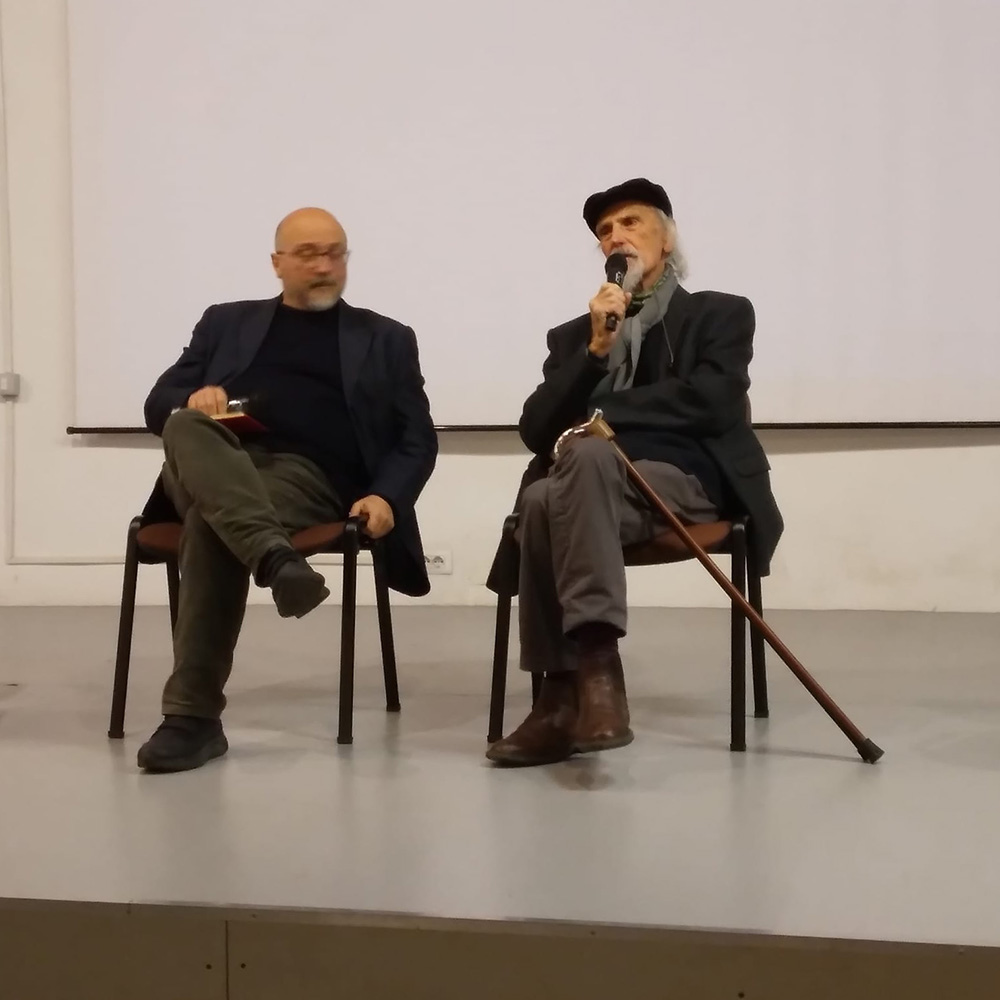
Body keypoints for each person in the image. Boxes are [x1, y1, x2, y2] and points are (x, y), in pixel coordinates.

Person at [486, 178, 782, 767]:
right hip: (595, 494)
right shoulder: (573, 338)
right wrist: (596, 353)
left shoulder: (720, 314)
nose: (616, 236)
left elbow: (713, 402)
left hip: (687, 482)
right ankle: (573, 687)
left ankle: (574, 688)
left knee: (583, 459)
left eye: (631, 223)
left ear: (666, 239)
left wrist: (601, 416)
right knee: (543, 500)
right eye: (605, 232)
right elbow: (535, 428)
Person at [136, 207, 438, 773]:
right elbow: (159, 404)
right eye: (307, 254)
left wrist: (387, 497)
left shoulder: (386, 338)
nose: (323, 266)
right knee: (185, 426)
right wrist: (193, 400)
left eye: (334, 253)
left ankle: (192, 720)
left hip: (305, 480)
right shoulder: (224, 322)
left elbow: (416, 438)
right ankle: (275, 559)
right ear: (277, 263)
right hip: (208, 461)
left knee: (211, 521)